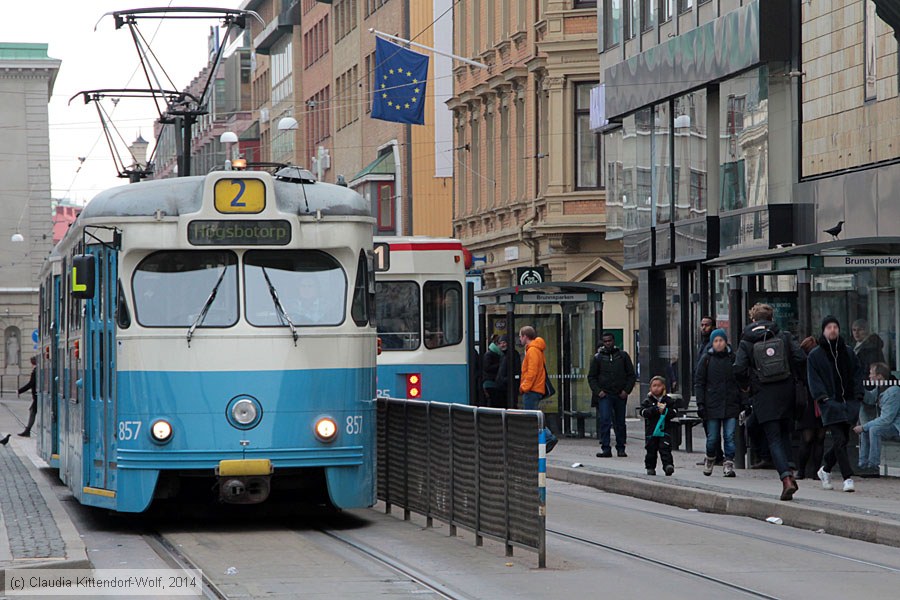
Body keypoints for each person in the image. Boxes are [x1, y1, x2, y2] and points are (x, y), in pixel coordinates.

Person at [734, 303, 806, 501]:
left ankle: (786, 479)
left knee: (773, 437)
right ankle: (790, 469)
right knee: (785, 433)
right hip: (786, 390)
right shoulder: (783, 335)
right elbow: (800, 357)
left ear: (753, 320)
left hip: (763, 393)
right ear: (772, 318)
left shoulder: (746, 340)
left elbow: (738, 368)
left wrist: (747, 386)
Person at [807, 316, 864, 493]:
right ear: (823, 331)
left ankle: (825, 469)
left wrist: (858, 395)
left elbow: (857, 373)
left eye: (835, 327)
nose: (832, 330)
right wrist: (823, 398)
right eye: (829, 327)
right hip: (830, 404)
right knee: (839, 439)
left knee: (844, 439)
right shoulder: (815, 355)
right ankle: (847, 477)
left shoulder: (847, 352)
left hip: (848, 403)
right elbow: (813, 379)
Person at [695, 329, 741, 477]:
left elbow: (740, 381)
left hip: (730, 403)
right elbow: (699, 382)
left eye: (721, 340)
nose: (719, 343)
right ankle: (710, 458)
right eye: (716, 341)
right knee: (712, 438)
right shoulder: (706, 359)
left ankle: (728, 463)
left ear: (725, 341)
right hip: (712, 404)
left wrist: (743, 402)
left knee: (729, 436)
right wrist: (700, 404)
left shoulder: (733, 358)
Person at [588, 332, 636, 458]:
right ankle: (606, 448)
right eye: (605, 341)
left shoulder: (623, 356)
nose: (608, 343)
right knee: (605, 420)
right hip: (605, 395)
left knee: (620, 422)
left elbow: (631, 375)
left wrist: (626, 390)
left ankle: (621, 448)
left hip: (620, 394)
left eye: (609, 341)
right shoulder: (598, 358)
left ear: (614, 341)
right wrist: (598, 391)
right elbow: (591, 377)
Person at [854, 362, 900, 474]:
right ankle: (863, 464)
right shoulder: (881, 389)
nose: (869, 376)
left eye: (871, 374)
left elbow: (886, 419)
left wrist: (864, 426)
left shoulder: (893, 391)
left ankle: (873, 466)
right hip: (890, 425)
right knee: (867, 430)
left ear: (879, 376)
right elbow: (870, 398)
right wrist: (859, 390)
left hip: (896, 427)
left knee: (874, 430)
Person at [519, 326, 558, 452]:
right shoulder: (534, 349)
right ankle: (540, 441)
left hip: (532, 389)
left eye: (520, 336)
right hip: (535, 389)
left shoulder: (533, 350)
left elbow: (532, 372)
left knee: (532, 417)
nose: (519, 339)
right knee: (533, 416)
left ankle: (548, 437)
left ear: (525, 336)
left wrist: (524, 387)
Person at [795, 336, 825, 480]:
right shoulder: (821, 362)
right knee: (819, 438)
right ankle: (814, 472)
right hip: (819, 402)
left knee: (808, 439)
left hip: (808, 403)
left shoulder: (801, 365)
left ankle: (802, 471)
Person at [641, 376, 678, 476]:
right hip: (651, 430)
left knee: (665, 448)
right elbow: (643, 412)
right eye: (654, 386)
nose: (656, 388)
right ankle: (650, 467)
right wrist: (654, 410)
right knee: (651, 450)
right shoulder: (647, 401)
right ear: (650, 388)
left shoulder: (668, 400)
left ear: (664, 387)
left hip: (664, 429)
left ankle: (668, 466)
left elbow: (674, 412)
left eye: (659, 386)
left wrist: (665, 411)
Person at [495, 335, 521, 409]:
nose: (502, 345)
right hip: (502, 388)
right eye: (500, 343)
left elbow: (516, 371)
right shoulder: (503, 355)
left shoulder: (514, 354)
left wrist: (505, 380)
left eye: (504, 343)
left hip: (509, 387)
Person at [480, 335, 504, 408]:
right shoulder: (489, 354)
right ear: (496, 344)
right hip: (490, 382)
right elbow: (487, 368)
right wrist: (500, 365)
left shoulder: (498, 354)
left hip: (494, 381)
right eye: (500, 344)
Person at [18, 356, 37, 437]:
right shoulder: (37, 370)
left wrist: (19, 391)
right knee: (32, 411)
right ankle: (27, 430)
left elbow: (31, 384)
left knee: (32, 411)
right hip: (37, 396)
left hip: (37, 396)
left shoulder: (35, 371)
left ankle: (27, 430)